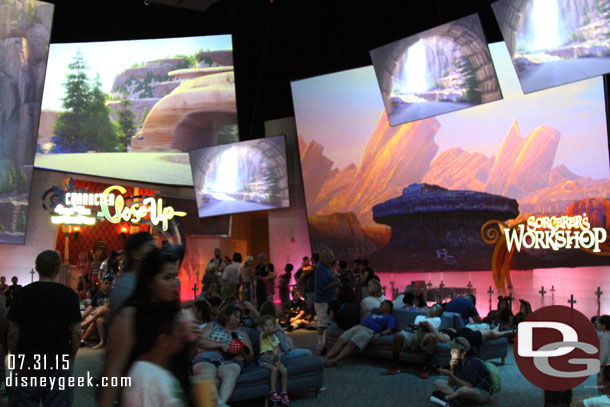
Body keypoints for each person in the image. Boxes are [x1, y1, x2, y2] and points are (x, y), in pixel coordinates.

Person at [99, 247, 182, 407]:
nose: (174, 284)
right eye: (167, 277)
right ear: (150, 281)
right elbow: (114, 371)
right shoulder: (130, 316)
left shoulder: (171, 313)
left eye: (175, 277)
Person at [7, 250, 81, 407]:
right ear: (58, 269)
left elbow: (13, 332)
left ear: (37, 268)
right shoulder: (69, 295)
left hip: (27, 357)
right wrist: (71, 358)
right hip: (58, 358)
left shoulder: (23, 293)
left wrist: (15, 357)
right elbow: (76, 332)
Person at [123, 301, 187, 407]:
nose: (182, 334)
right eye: (179, 330)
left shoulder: (156, 373)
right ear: (163, 340)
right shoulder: (146, 380)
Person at [192, 304, 254, 407]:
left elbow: (250, 356)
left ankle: (221, 403)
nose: (238, 320)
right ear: (226, 316)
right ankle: (220, 404)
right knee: (206, 371)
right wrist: (220, 345)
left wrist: (242, 350)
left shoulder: (242, 332)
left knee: (231, 372)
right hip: (208, 357)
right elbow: (199, 341)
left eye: (239, 317)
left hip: (232, 360)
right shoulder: (212, 326)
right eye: (236, 316)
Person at [325, 300, 396, 367]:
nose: (380, 305)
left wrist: (380, 334)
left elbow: (390, 330)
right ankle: (326, 358)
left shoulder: (390, 317)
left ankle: (335, 360)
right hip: (358, 326)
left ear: (388, 307)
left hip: (368, 331)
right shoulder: (374, 313)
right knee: (340, 340)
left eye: (383, 304)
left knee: (351, 343)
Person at [386, 303, 444, 378]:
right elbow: (414, 327)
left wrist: (425, 324)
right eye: (435, 307)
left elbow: (431, 330)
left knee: (433, 337)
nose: (436, 310)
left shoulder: (437, 319)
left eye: (439, 310)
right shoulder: (419, 317)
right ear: (431, 307)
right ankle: (395, 365)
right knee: (397, 335)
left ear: (439, 314)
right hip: (413, 333)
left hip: (425, 335)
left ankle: (425, 368)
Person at [432, 337, 491, 406]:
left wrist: (451, 374)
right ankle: (458, 398)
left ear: (463, 351)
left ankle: (449, 397)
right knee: (438, 382)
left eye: (454, 349)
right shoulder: (458, 361)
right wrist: (452, 368)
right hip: (461, 388)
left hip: (480, 391)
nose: (452, 351)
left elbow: (469, 386)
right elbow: (451, 383)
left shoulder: (474, 362)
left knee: (464, 390)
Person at [109, 232, 155, 316]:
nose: (154, 253)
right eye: (150, 248)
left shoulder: (145, 280)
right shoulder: (126, 285)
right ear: (135, 254)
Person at [258, 314, 290, 404]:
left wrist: (278, 361)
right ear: (262, 327)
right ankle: (272, 391)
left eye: (270, 325)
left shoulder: (275, 338)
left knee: (284, 371)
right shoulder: (263, 335)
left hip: (274, 360)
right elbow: (268, 333)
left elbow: (278, 352)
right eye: (266, 325)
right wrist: (278, 329)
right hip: (264, 361)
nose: (268, 327)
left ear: (273, 325)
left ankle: (284, 392)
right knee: (274, 369)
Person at [314, 248, 338, 352]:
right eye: (331, 257)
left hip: (328, 299)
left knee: (327, 322)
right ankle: (320, 343)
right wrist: (334, 283)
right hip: (322, 300)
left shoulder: (327, 268)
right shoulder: (321, 269)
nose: (332, 259)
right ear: (324, 257)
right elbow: (323, 286)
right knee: (322, 322)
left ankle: (325, 343)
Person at [81, 275, 113, 348]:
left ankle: (87, 324)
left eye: (109, 284)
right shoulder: (98, 294)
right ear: (102, 283)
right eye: (106, 283)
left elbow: (111, 307)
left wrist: (99, 309)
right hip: (100, 318)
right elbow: (90, 308)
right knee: (98, 320)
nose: (107, 285)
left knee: (103, 309)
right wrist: (80, 318)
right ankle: (83, 340)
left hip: (111, 317)